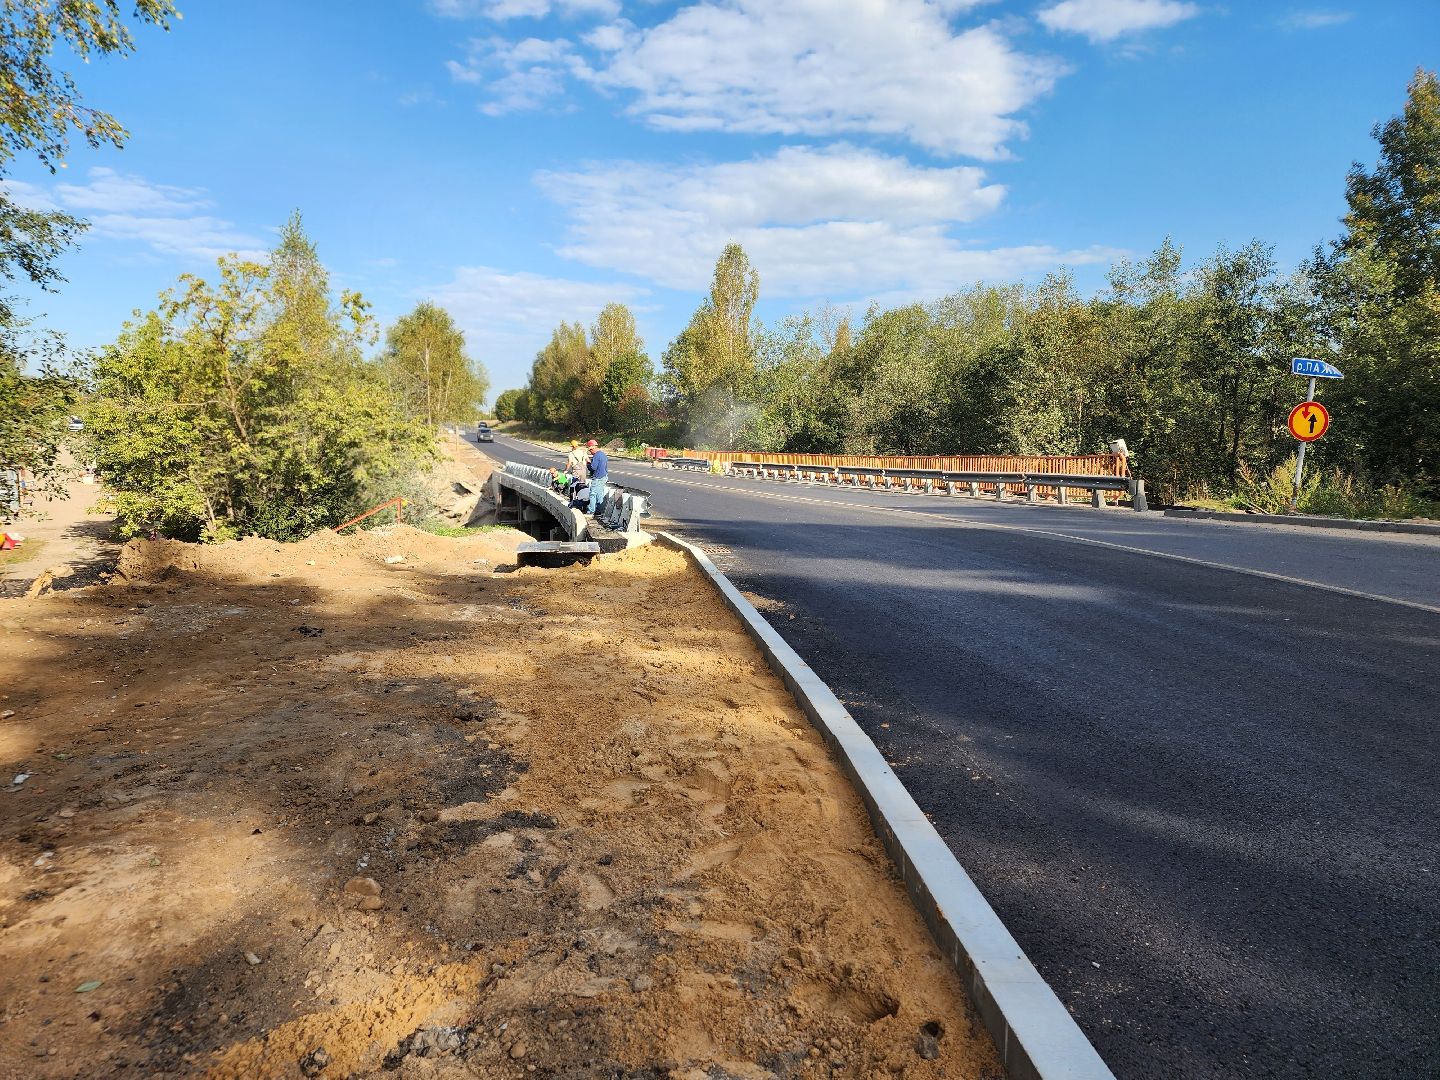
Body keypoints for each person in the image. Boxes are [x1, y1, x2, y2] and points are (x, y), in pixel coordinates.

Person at [585, 438, 609, 515]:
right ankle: (599, 510)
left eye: (590, 450)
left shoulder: (596, 456)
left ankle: (591, 510)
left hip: (598, 477)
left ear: (593, 448)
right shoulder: (603, 454)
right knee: (599, 494)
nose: (590, 452)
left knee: (593, 494)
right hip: (604, 476)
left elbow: (593, 467)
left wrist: (588, 464)